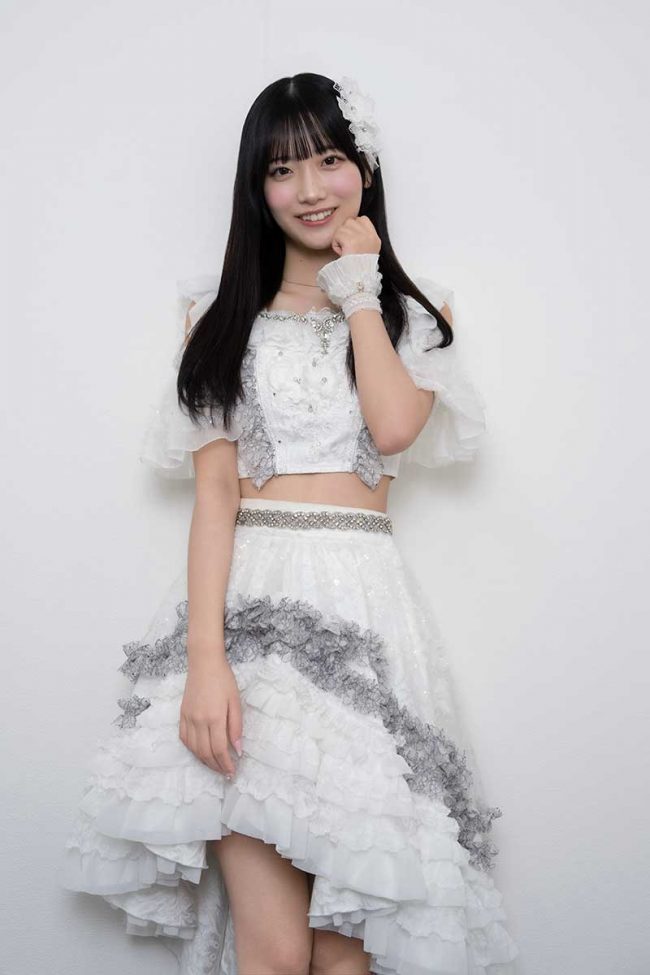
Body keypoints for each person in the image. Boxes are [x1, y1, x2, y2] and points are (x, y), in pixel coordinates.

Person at [59, 73, 520, 975]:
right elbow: (216, 497)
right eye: (281, 170)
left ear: (364, 169)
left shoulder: (416, 312)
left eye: (329, 160)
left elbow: (395, 427)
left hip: (368, 621)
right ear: (256, 188)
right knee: (271, 954)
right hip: (250, 619)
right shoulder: (216, 317)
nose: (309, 189)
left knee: (348, 955)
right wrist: (205, 662)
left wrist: (358, 288)